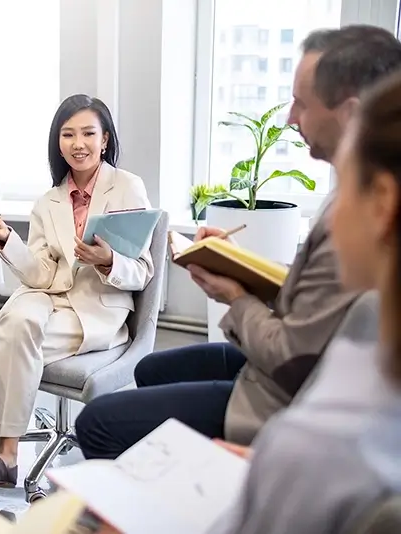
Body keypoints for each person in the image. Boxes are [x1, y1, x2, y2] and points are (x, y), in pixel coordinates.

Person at [75, 24, 401, 460]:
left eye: (301, 103)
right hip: (274, 365)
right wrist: (234, 263)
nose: (289, 118)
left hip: (278, 391)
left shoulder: (364, 213)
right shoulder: (345, 190)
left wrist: (236, 296)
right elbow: (315, 298)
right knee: (152, 368)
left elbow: (291, 355)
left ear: (351, 112)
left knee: (96, 423)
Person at [210, 65, 401, 534]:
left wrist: (276, 475)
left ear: (382, 201)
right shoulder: (365, 334)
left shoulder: (319, 447)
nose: (331, 224)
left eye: (347, 188)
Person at [0, 94, 155, 493]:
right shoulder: (47, 202)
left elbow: (142, 272)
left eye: (88, 133)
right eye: (68, 134)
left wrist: (108, 260)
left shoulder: (127, 188)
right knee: (17, 323)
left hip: (95, 309)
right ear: (58, 142)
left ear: (105, 139)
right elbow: (39, 274)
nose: (78, 143)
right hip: (47, 298)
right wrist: (5, 238)